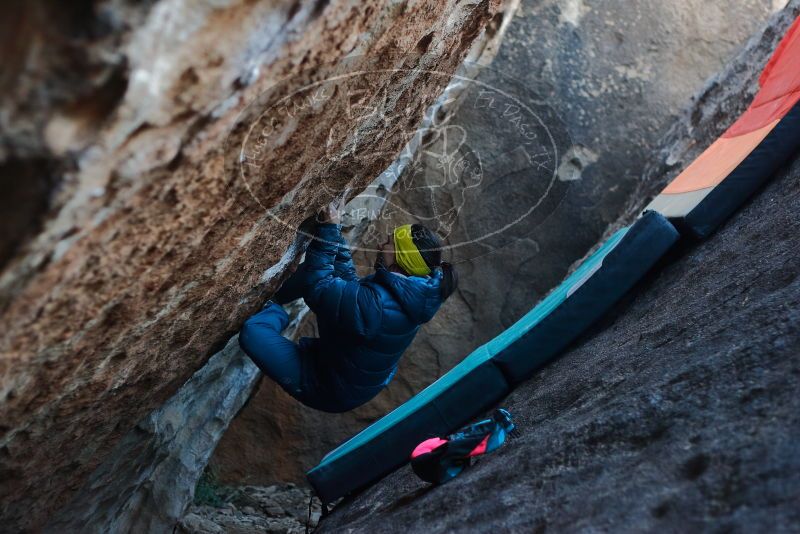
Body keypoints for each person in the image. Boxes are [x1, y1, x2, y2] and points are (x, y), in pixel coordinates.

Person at [238, 200, 458, 413]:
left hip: (324, 386)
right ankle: (271, 302)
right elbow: (349, 284)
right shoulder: (411, 289)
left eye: (389, 242)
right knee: (322, 269)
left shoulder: (381, 305)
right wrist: (334, 230)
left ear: (403, 257)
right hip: (338, 369)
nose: (381, 245)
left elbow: (319, 287)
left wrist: (328, 230)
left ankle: (269, 306)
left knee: (253, 331)